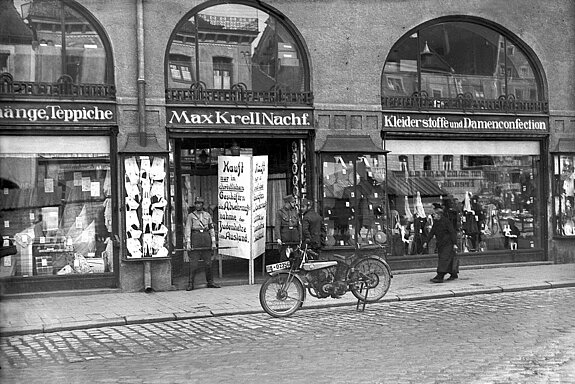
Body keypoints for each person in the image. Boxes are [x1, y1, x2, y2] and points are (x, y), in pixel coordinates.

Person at [184, 196, 220, 290]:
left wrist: (213, 242)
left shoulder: (207, 215)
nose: (198, 205)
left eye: (199, 203)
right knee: (194, 264)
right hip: (195, 238)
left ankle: (210, 282)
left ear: (202, 205)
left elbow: (211, 229)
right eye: (196, 203)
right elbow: (188, 229)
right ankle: (190, 284)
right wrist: (188, 242)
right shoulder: (191, 216)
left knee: (208, 263)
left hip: (205, 238)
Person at [423, 203, 458, 283]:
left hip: (448, 243)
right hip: (441, 244)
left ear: (439, 215)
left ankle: (440, 276)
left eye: (434, 214)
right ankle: (453, 273)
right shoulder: (436, 223)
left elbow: (452, 232)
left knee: (443, 259)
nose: (433, 216)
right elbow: (432, 233)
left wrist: (455, 243)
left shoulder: (446, 222)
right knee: (447, 259)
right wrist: (426, 242)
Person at [274, 194, 301, 261]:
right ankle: (284, 271)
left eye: (294, 202)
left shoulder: (295, 211)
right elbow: (277, 225)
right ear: (287, 203)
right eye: (292, 202)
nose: (294, 204)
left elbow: (299, 225)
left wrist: (300, 238)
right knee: (284, 255)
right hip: (285, 236)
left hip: (294, 236)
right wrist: (278, 238)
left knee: (296, 255)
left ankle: (295, 269)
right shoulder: (280, 212)